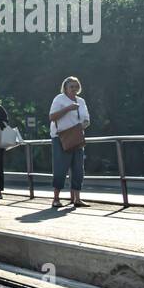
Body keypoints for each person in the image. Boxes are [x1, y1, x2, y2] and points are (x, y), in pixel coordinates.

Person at [49, 76, 90, 208]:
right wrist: (68, 108)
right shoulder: (59, 99)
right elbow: (52, 117)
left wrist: (83, 125)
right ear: (65, 88)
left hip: (77, 137)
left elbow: (87, 119)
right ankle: (56, 198)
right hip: (61, 137)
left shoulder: (81, 101)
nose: (74, 89)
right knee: (60, 167)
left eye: (76, 86)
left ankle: (77, 198)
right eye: (71, 86)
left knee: (78, 168)